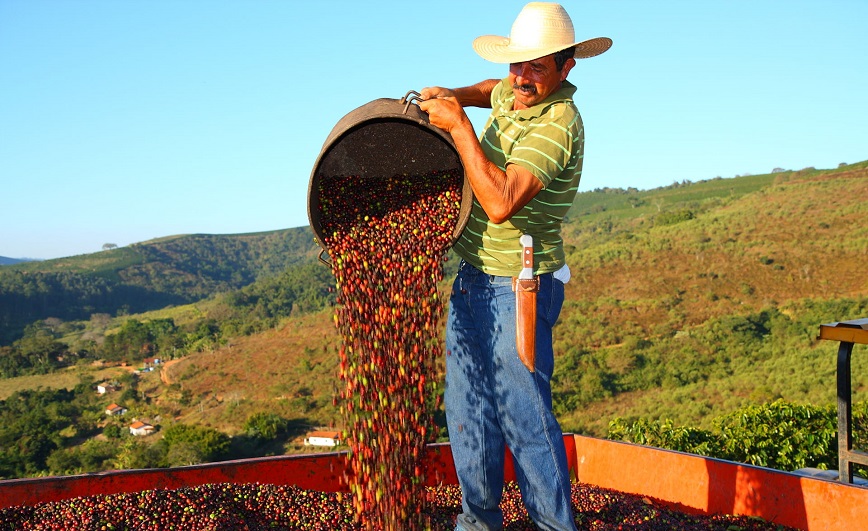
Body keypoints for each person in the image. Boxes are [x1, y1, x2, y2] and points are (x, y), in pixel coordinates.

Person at [418, 3, 611, 530]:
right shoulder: (516, 88)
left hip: (519, 286)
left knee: (524, 418)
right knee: (469, 414)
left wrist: (459, 125)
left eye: (537, 67)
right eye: (517, 63)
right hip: (472, 278)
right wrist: (456, 95)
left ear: (567, 67)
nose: (521, 77)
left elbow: (501, 201)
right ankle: (478, 523)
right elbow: (493, 89)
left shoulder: (558, 124)